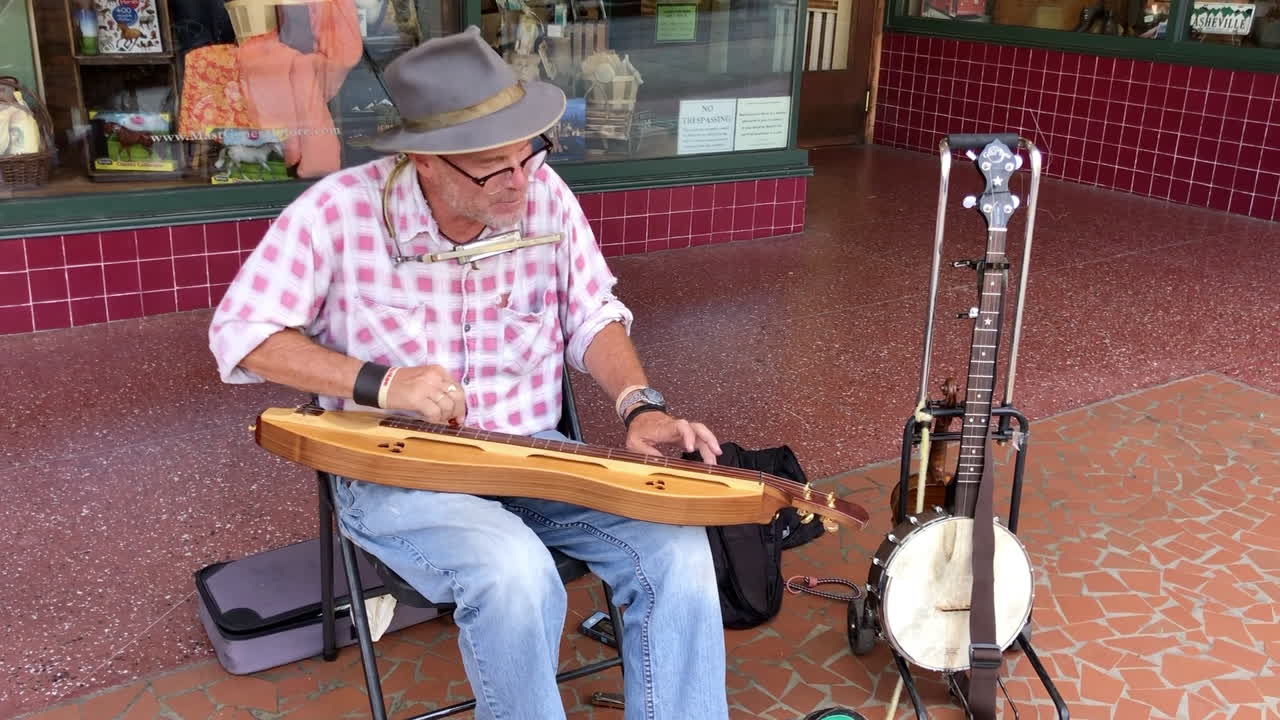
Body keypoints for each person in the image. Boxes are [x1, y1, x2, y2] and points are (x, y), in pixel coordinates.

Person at [208, 26, 729, 720]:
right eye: (492, 166)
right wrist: (382, 384)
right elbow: (240, 335)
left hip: (535, 456)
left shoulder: (541, 193)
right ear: (425, 160)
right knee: (515, 572)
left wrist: (641, 405)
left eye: (529, 153)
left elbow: (591, 314)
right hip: (401, 474)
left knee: (678, 550)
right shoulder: (336, 214)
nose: (521, 180)